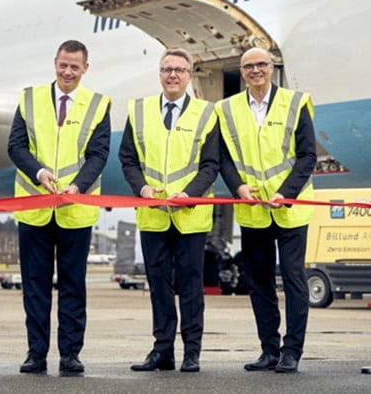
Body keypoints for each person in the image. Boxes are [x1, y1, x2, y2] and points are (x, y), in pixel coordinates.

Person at [7, 40, 111, 375]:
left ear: (85, 69)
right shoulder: (30, 99)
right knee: (35, 286)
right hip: (35, 207)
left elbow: (98, 154)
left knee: (73, 286)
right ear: (55, 63)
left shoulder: (98, 104)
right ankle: (36, 353)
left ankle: (70, 354)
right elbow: (16, 147)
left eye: (74, 67)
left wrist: (77, 185)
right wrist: (39, 173)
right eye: (63, 65)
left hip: (75, 208)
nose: (68, 72)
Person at [119, 48, 220, 373]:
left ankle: (192, 352)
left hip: (190, 215)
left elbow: (211, 164)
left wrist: (189, 194)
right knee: (158, 284)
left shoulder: (206, 113)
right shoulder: (139, 111)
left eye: (179, 70)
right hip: (153, 214)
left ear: (189, 75)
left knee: (190, 285)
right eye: (166, 69)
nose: (172, 75)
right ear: (160, 74)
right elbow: (128, 159)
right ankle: (162, 350)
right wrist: (142, 189)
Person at [218, 47, 317, 374]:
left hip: (289, 209)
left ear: (272, 67)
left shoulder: (295, 103)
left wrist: (286, 192)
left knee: (293, 278)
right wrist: (238, 188)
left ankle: (292, 351)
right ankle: (269, 350)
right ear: (242, 71)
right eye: (248, 66)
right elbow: (224, 159)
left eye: (261, 64)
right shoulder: (227, 109)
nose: (255, 70)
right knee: (258, 282)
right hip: (253, 209)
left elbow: (307, 156)